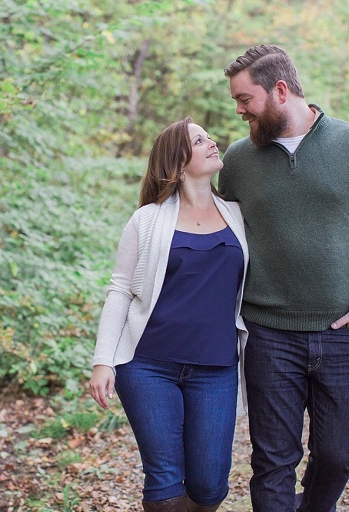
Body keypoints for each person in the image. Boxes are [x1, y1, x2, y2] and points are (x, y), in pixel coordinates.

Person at [218, 45, 349, 512]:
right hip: (267, 335)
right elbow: (217, 236)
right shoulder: (238, 161)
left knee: (339, 455)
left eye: (245, 100)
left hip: (341, 332)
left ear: (280, 90)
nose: (239, 111)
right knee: (273, 461)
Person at [89, 117, 249, 512]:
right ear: (178, 164)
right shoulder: (147, 219)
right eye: (199, 140)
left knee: (210, 486)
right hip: (148, 366)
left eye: (209, 136)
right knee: (163, 482)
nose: (213, 142)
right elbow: (121, 289)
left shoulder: (238, 215)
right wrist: (103, 361)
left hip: (216, 368)